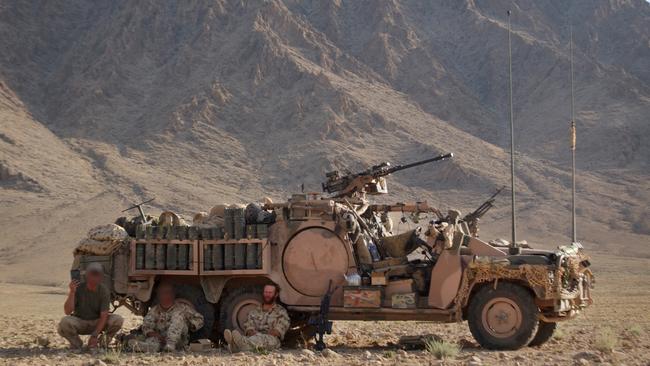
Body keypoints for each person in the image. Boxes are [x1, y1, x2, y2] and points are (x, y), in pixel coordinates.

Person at [58, 262, 124, 350]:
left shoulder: (103, 291)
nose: (94, 278)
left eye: (97, 275)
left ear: (101, 278)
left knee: (118, 320)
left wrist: (94, 335)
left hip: (97, 322)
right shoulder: (78, 288)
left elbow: (103, 316)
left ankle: (101, 343)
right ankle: (76, 344)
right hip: (80, 321)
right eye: (92, 275)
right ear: (87, 276)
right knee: (64, 322)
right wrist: (72, 292)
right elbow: (67, 311)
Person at [128, 282, 204, 352]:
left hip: (179, 339)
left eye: (168, 293)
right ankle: (143, 347)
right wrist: (157, 336)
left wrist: (189, 324)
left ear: (173, 295)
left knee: (178, 317)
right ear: (159, 296)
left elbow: (200, 319)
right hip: (161, 339)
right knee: (153, 342)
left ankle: (171, 343)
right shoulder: (154, 311)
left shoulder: (183, 308)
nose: (166, 296)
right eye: (163, 293)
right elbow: (146, 327)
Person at [223, 284, 290, 352]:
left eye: (270, 293)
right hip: (253, 338)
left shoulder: (281, 312)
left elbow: (278, 331)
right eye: (266, 292)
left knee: (258, 340)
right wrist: (252, 333)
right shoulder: (254, 311)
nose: (267, 295)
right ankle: (238, 346)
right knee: (252, 340)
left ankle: (237, 343)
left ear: (276, 294)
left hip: (272, 340)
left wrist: (259, 335)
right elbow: (248, 327)